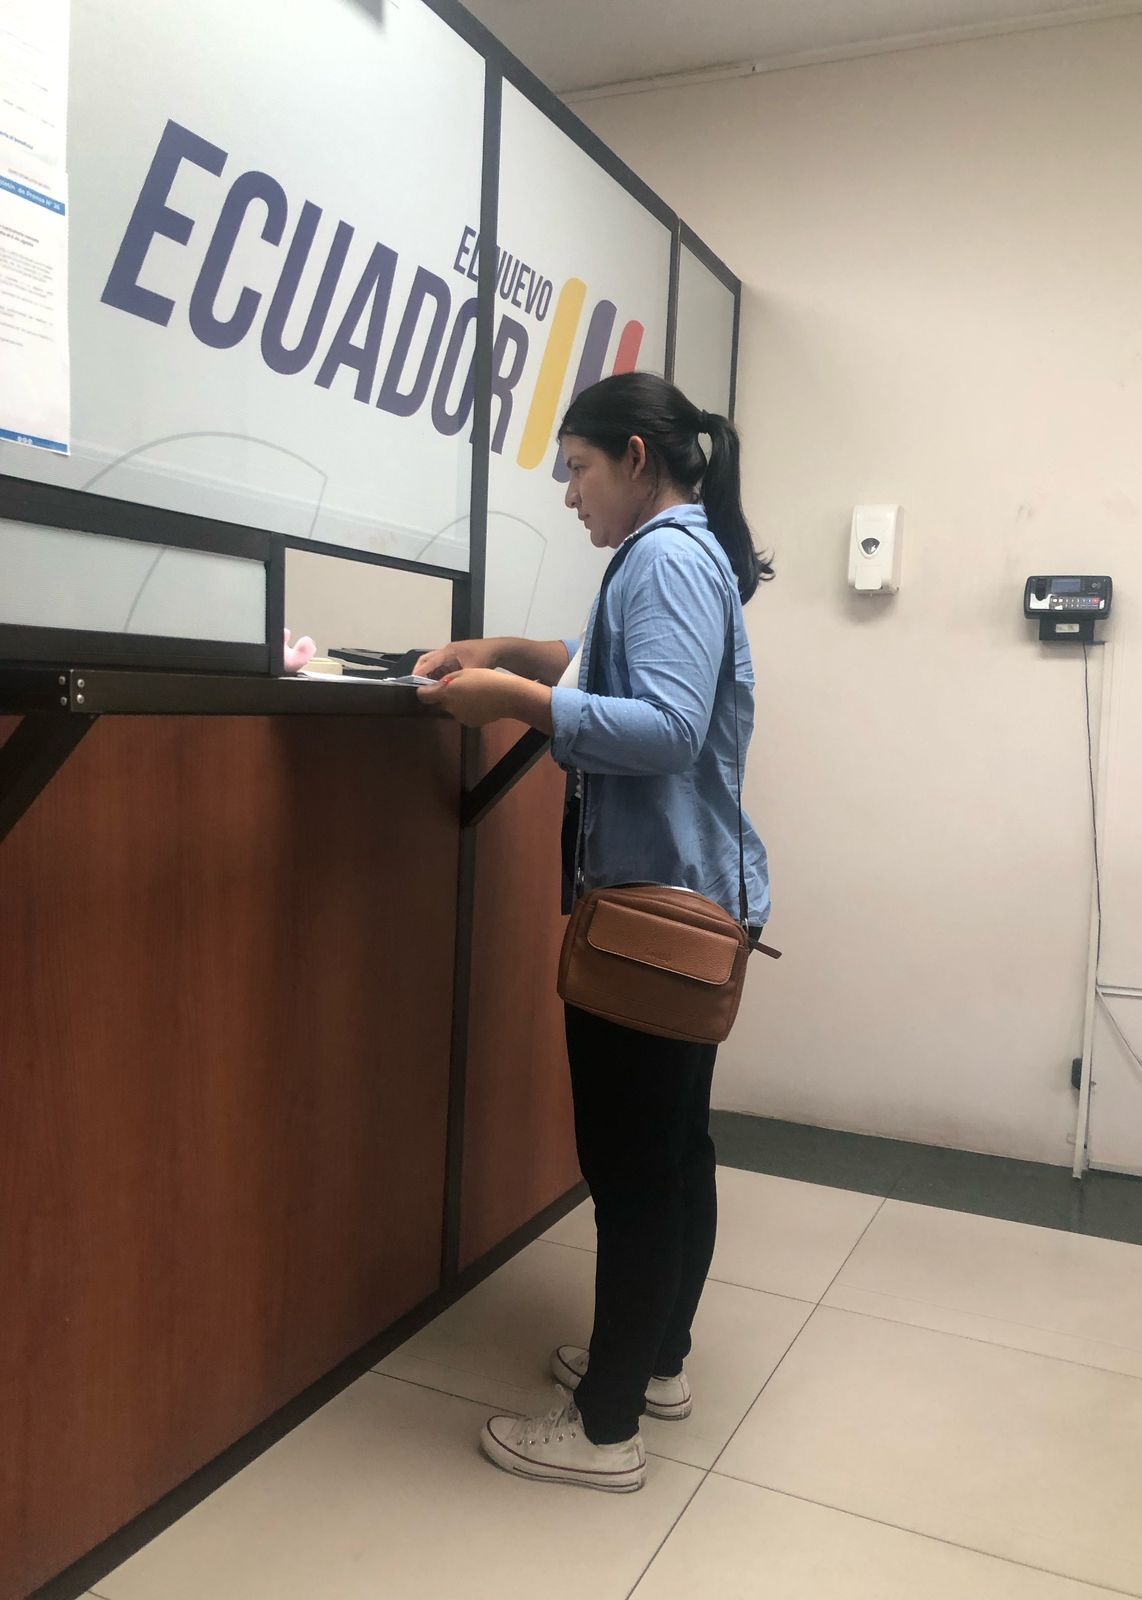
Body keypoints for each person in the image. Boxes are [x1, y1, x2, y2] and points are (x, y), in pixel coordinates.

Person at [414, 370, 772, 1493]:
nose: (570, 495)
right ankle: (653, 1363)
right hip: (686, 900)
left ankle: (605, 1428)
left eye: (577, 470)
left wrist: (515, 703)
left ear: (635, 457)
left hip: (653, 916)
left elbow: (665, 727)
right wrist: (521, 653)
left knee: (634, 1171)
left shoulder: (665, 556)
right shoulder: (682, 550)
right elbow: (632, 676)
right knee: (672, 1153)